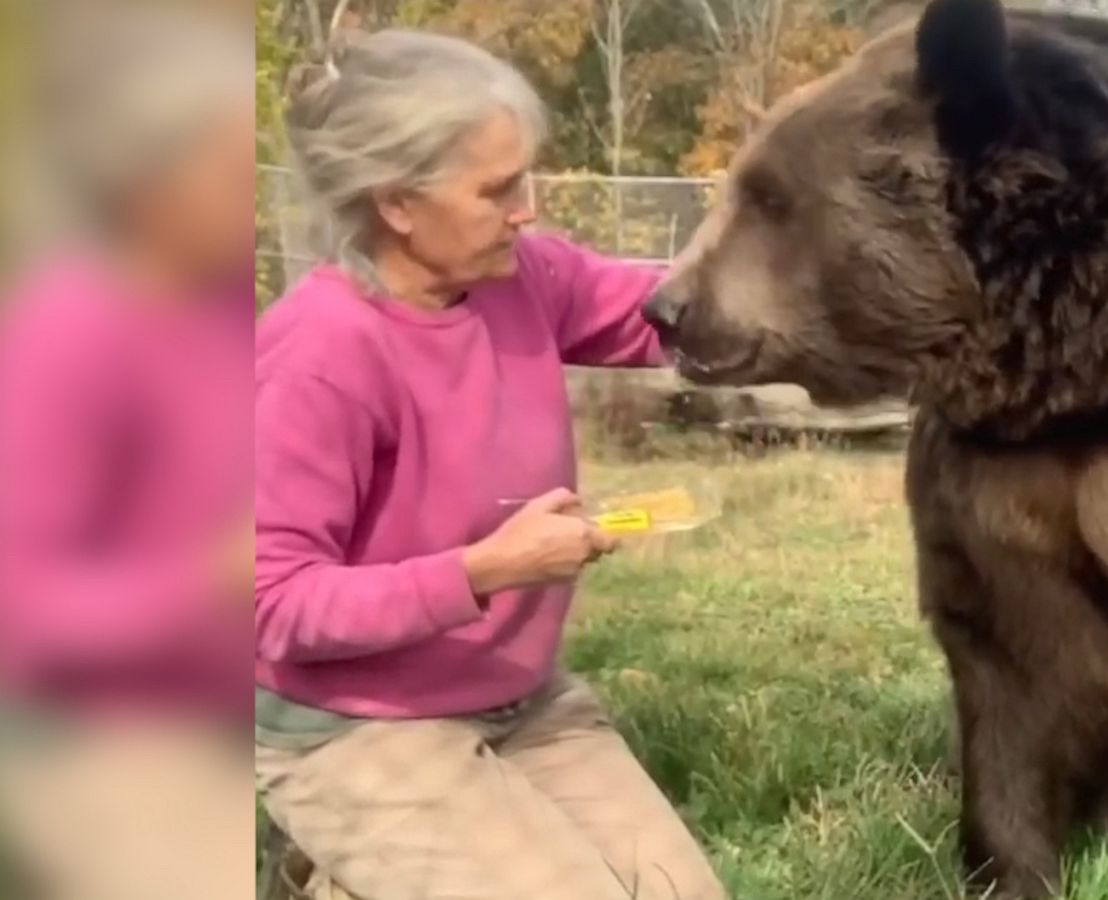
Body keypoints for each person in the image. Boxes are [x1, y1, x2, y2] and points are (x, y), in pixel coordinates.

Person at [252, 28, 725, 900]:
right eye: (499, 189)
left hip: (518, 698)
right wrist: (483, 571)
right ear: (397, 202)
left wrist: (811, 281)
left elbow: (671, 309)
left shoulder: (522, 278)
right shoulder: (319, 354)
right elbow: (269, 604)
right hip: (355, 727)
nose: (530, 208)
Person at [0, 5, 257, 900]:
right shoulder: (71, 330)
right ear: (147, 185)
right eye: (232, 173)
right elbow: (22, 610)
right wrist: (205, 584)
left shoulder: (229, 313)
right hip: (107, 737)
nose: (254, 199)